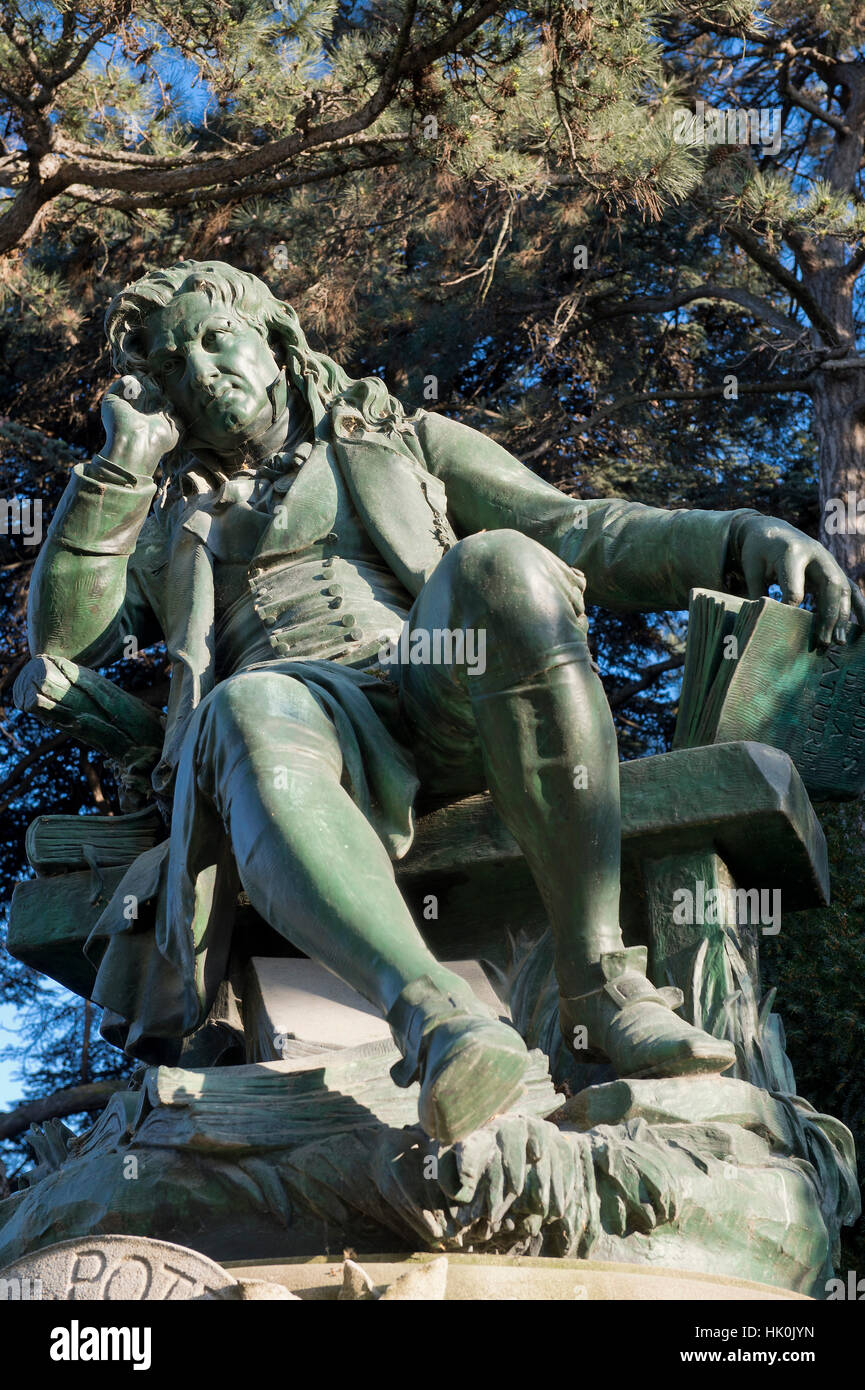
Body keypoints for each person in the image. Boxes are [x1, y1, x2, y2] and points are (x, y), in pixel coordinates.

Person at [24, 259, 863, 1144]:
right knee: (245, 704)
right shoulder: (162, 520)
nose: (198, 373)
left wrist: (734, 538)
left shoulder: (398, 438)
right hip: (291, 737)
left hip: (434, 691)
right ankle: (437, 1021)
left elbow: (576, 529)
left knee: (498, 562)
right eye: (168, 364)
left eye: (212, 339)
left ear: (273, 343)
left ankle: (600, 982)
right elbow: (66, 646)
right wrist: (119, 468)